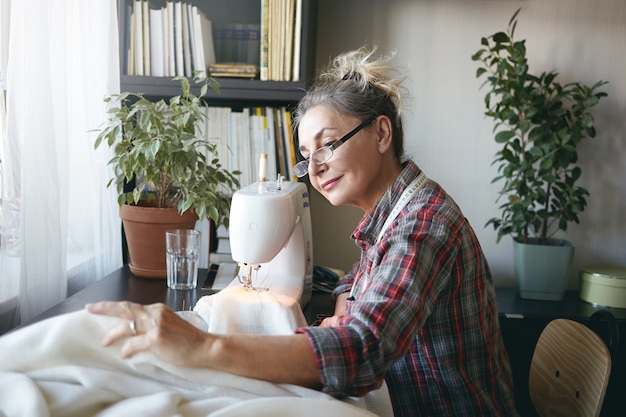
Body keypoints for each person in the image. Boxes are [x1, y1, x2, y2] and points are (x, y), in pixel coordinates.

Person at [88, 46, 519, 416]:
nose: (314, 168)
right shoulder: (398, 211)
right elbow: (364, 275)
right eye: (305, 155)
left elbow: (362, 350)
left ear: (381, 132)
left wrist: (205, 347)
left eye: (327, 144)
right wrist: (347, 300)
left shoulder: (423, 224)